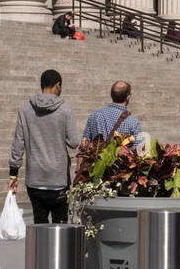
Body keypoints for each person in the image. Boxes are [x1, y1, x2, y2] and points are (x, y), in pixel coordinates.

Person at [8, 69, 80, 224]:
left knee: (39, 224)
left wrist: (13, 174)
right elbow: (74, 142)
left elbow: (18, 144)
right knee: (60, 228)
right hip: (58, 179)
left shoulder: (25, 109)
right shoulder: (65, 109)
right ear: (58, 85)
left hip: (35, 179)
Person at [81, 80, 144, 147]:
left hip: (96, 157)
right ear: (128, 97)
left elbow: (85, 142)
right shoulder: (133, 122)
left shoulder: (95, 115)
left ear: (111, 94)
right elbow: (138, 150)